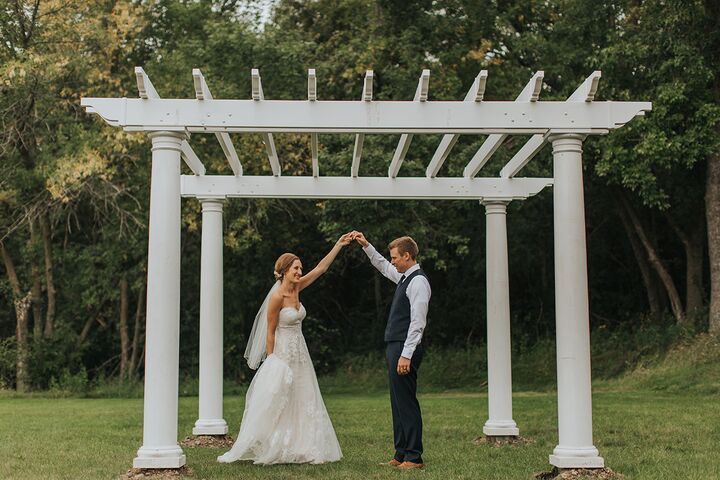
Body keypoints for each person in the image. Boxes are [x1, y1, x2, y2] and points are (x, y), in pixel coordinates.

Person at [217, 232, 355, 465]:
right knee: (281, 399)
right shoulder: (277, 297)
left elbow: (321, 269)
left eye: (300, 268)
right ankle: (277, 445)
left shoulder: (298, 287)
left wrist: (338, 245)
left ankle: (303, 446)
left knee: (304, 396)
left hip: (300, 353)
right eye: (295, 269)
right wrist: (272, 361)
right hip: (282, 354)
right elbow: (270, 331)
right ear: (283, 271)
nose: (299, 272)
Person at [352, 231, 431, 470]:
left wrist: (406, 354)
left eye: (395, 257)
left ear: (407, 256)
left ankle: (414, 457)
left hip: (405, 347)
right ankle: (401, 453)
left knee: (406, 401)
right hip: (395, 345)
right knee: (397, 402)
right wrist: (366, 246)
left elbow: (418, 323)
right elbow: (383, 266)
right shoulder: (404, 277)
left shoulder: (418, 281)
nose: (393, 261)